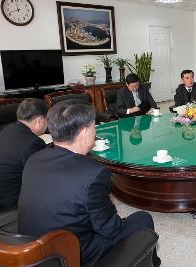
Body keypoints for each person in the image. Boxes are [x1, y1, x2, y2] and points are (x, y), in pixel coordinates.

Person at [18, 100, 160, 267]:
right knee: (143, 218)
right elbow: (110, 229)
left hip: (33, 249)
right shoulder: (93, 173)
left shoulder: (35, 159)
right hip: (72, 256)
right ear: (85, 132)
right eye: (94, 127)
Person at [0, 98, 47, 218]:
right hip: (4, 210)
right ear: (40, 121)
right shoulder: (33, 143)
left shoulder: (7, 131)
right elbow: (44, 178)